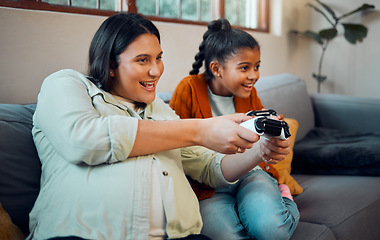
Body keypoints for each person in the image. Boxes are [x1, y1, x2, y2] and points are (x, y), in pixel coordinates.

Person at [27, 13, 291, 240]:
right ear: (110, 65)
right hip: (80, 235)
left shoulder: (161, 112)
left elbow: (210, 167)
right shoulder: (66, 84)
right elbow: (84, 140)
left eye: (158, 58)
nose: (156, 71)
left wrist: (260, 152)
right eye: (143, 60)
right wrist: (200, 129)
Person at [169, 18, 300, 240]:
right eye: (244, 68)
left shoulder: (249, 92)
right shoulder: (188, 88)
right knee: (226, 236)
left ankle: (284, 198)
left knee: (272, 231)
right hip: (207, 184)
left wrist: (272, 135)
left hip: (251, 173)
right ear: (217, 69)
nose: (254, 76)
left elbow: (260, 143)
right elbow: (174, 140)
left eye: (257, 66)